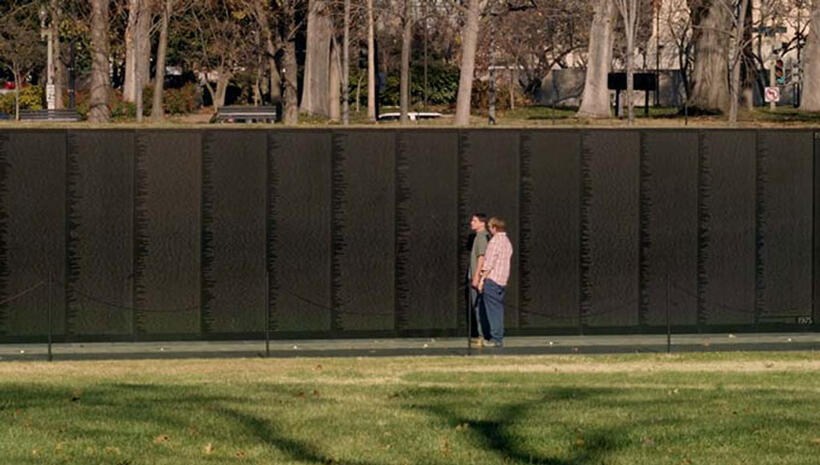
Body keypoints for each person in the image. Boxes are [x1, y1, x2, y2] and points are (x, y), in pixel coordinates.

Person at [478, 217, 513, 348]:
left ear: (494, 228)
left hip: (492, 280)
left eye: (490, 227)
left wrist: (482, 280)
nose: (489, 229)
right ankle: (498, 336)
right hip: (502, 281)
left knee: (493, 311)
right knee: (498, 310)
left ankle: (496, 338)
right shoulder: (507, 242)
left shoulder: (494, 242)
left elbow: (488, 264)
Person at [467, 213, 490, 346]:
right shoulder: (480, 236)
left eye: (474, 221)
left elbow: (481, 257)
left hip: (478, 278)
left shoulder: (481, 237)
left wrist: (476, 276)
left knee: (478, 307)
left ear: (482, 223)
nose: (471, 223)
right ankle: (482, 335)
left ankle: (483, 335)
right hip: (477, 277)